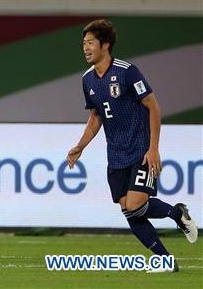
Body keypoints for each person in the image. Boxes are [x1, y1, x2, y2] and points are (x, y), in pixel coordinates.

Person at [66, 19, 197, 273]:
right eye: (83, 43)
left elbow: (153, 106)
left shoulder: (127, 71)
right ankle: (166, 261)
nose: (85, 48)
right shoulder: (87, 80)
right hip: (115, 155)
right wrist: (80, 146)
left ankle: (176, 214)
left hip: (140, 149)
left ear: (105, 45)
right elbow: (96, 117)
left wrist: (153, 148)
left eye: (90, 42)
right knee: (129, 211)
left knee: (136, 205)